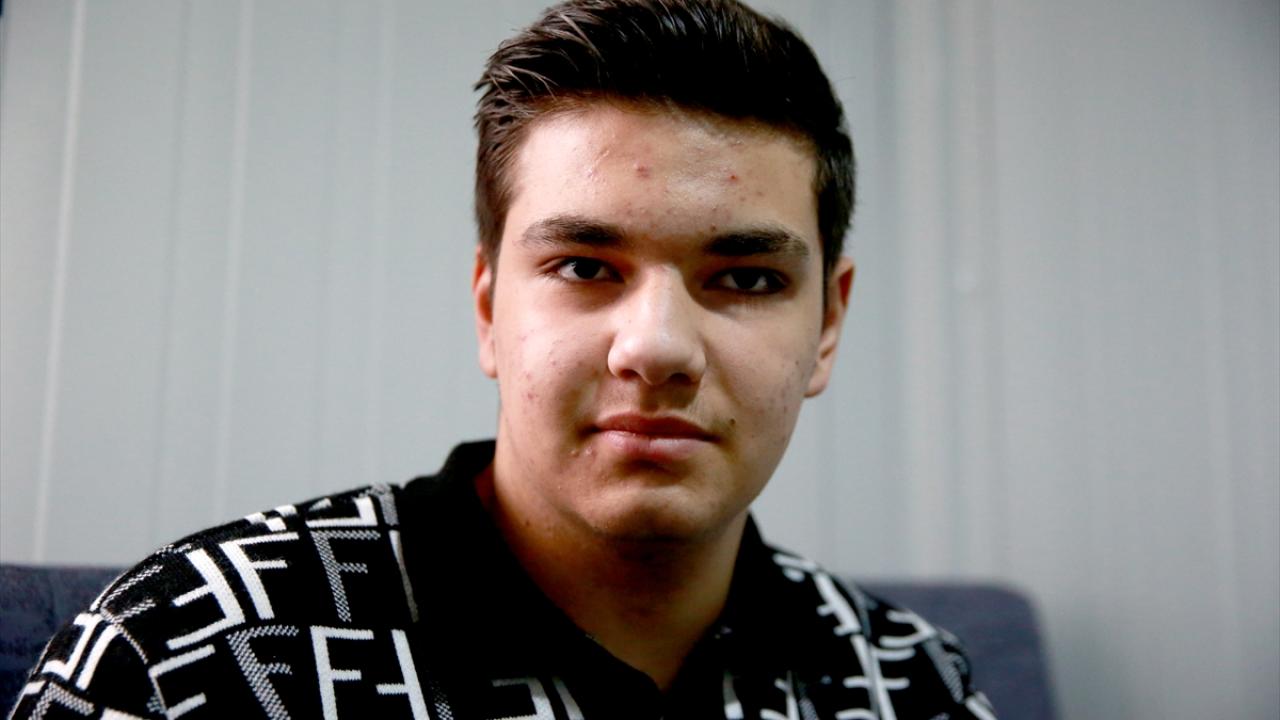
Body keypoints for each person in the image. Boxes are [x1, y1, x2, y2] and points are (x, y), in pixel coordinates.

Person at [11, 1, 996, 718]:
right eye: (584, 266)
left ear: (828, 324)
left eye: (744, 278)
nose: (656, 347)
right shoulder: (187, 656)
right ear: (489, 307)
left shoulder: (910, 683)